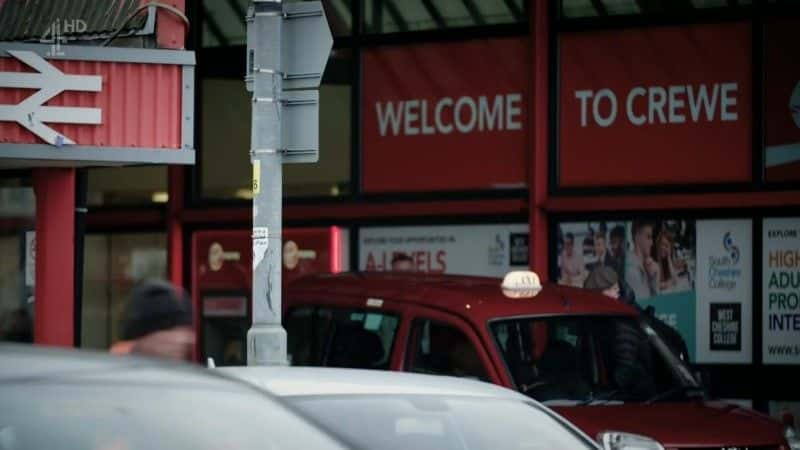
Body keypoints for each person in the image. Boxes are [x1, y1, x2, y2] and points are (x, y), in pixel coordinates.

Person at [585, 266, 690, 364]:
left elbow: (626, 370)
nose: (616, 290)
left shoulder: (623, 320)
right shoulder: (624, 312)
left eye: (614, 288)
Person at [110, 279, 195, 362]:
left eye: (187, 330)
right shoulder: (113, 371)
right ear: (144, 337)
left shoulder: (183, 372)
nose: (188, 339)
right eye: (175, 330)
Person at [625, 221, 658, 301]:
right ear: (637, 237)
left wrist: (652, 279)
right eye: (648, 237)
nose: (652, 243)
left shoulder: (645, 265)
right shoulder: (631, 270)